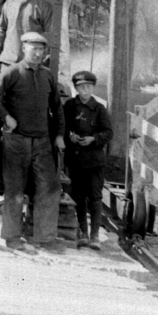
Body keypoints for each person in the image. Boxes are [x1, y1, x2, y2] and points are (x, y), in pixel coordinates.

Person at [0, 31, 66, 253]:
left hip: (42, 142)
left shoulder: (48, 76)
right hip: (16, 141)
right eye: (33, 49)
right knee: (15, 190)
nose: (37, 53)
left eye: (41, 50)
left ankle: (45, 238)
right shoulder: (11, 72)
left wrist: (58, 135)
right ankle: (12, 236)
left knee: (49, 188)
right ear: (24, 49)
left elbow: (57, 107)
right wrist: (6, 116)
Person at [63, 70, 113, 249]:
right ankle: (83, 232)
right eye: (82, 87)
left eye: (89, 87)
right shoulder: (69, 106)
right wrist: (70, 136)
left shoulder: (99, 109)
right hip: (76, 159)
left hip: (95, 160)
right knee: (79, 195)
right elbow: (63, 126)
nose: (86, 90)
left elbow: (108, 133)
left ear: (93, 88)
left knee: (95, 196)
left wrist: (94, 139)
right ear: (76, 88)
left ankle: (95, 235)